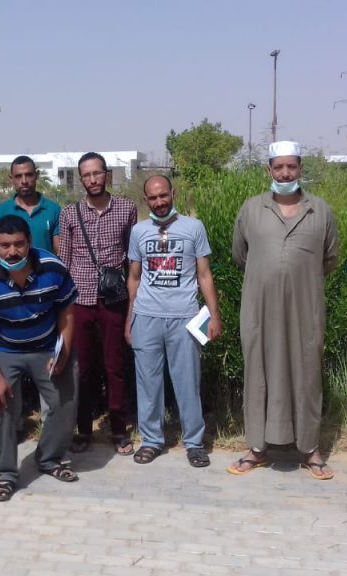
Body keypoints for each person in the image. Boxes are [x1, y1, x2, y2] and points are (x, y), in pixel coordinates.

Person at [228, 141, 339, 480]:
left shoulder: (320, 210)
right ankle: (257, 448)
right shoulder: (251, 209)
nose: (285, 173)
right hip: (259, 310)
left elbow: (330, 258)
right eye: (279, 167)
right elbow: (240, 255)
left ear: (301, 168)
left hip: (305, 309)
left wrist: (294, 278)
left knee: (307, 373)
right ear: (269, 170)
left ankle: (310, 450)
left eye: (291, 166)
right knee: (258, 373)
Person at [0, 215, 79, 502]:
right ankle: (6, 473)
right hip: (3, 350)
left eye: (19, 244)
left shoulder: (53, 267)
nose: (12, 252)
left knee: (64, 402)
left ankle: (49, 459)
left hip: (47, 346)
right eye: (4, 245)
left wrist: (64, 352)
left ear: (29, 242)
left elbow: (67, 311)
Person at [125, 175, 222, 468]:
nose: (159, 202)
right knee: (148, 383)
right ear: (146, 200)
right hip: (146, 316)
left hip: (184, 317)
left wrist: (214, 314)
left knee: (187, 383)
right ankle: (151, 440)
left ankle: (194, 443)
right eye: (153, 198)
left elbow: (204, 274)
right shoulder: (138, 231)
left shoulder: (194, 227)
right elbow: (134, 278)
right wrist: (130, 318)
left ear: (173, 193)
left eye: (163, 195)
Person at [57, 152, 137, 455]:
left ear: (108, 175)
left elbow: (132, 259)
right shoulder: (70, 214)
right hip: (80, 300)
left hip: (113, 298)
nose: (92, 179)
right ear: (81, 179)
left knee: (115, 366)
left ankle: (118, 428)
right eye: (87, 175)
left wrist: (132, 298)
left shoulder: (127, 209)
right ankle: (84, 428)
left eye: (97, 173)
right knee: (83, 368)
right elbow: (64, 261)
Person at [0, 156, 61, 253]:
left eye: (28, 175)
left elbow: (59, 252)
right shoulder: (2, 211)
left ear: (37, 175)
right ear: (11, 179)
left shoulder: (54, 210)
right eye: (18, 176)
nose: (24, 181)